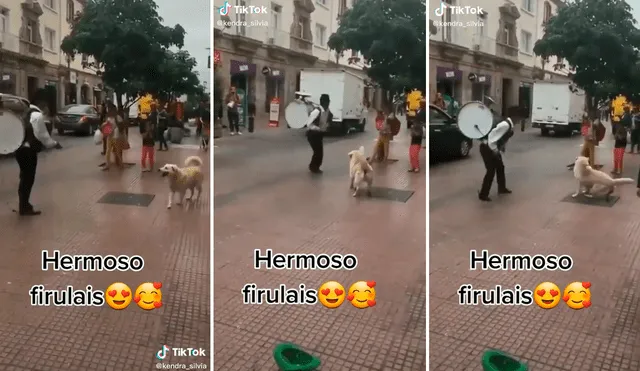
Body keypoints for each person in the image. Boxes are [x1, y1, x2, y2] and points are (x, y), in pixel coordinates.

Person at [15, 98, 62, 215]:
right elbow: (42, 135)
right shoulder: (37, 115)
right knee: (28, 178)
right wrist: (54, 144)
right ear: (44, 109)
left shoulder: (24, 113)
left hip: (19, 150)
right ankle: (24, 207)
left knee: (24, 178)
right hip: (29, 151)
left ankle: (23, 204)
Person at [478, 118, 514, 202]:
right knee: (491, 171)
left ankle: (502, 188)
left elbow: (501, 138)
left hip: (491, 148)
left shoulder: (508, 125)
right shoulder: (505, 125)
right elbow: (492, 138)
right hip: (487, 148)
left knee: (500, 167)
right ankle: (483, 194)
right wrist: (495, 150)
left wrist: (501, 148)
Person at [306, 94, 331, 173]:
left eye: (328, 102)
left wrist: (327, 126)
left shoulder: (327, 111)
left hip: (319, 134)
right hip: (312, 134)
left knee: (320, 151)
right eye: (326, 102)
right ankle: (313, 167)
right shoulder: (317, 111)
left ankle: (315, 166)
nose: (327, 104)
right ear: (322, 102)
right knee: (317, 151)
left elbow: (328, 120)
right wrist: (317, 128)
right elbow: (308, 124)